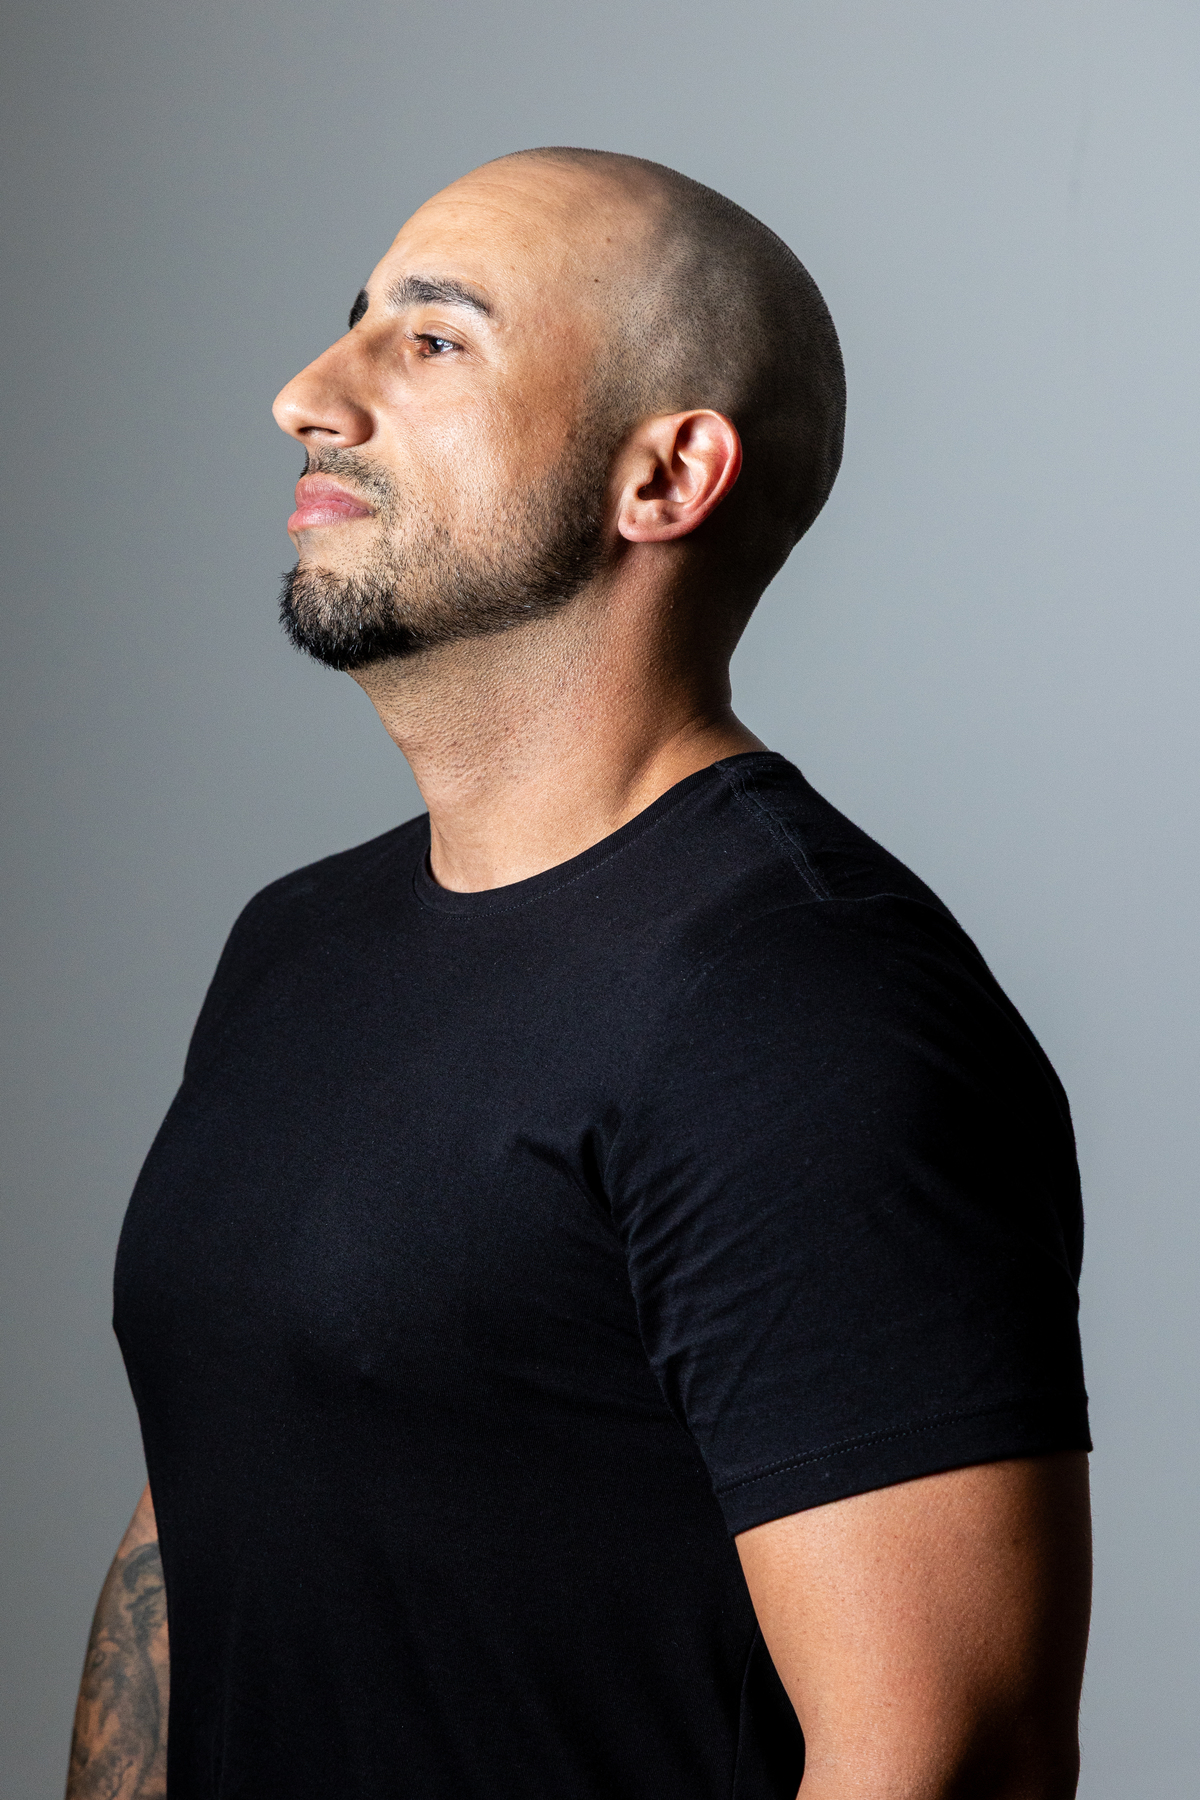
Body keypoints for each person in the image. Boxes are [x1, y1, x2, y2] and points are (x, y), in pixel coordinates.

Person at [65, 148, 1092, 1800]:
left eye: (433, 340)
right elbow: (204, 1516)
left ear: (665, 476)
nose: (305, 397)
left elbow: (946, 1757)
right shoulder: (295, 945)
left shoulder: (800, 1010)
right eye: (352, 322)